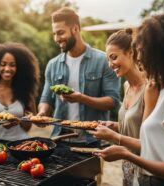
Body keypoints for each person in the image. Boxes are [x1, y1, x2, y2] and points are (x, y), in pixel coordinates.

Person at [93, 14, 164, 186]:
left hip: (150, 172)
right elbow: (152, 131)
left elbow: (150, 142)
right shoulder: (131, 87)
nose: (140, 57)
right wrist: (115, 127)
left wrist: (119, 143)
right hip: (137, 171)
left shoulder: (155, 89)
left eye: (113, 57)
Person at [37, 7, 120, 145]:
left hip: (93, 139)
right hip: (60, 139)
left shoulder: (103, 61)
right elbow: (46, 100)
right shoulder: (53, 65)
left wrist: (81, 98)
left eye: (60, 33)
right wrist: (42, 113)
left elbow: (113, 102)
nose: (57, 39)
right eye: (55, 34)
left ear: (75, 29)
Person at [0, 42, 40, 140]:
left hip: (21, 145)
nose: (7, 69)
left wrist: (24, 120)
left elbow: (27, 128)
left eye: (12, 65)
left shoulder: (25, 90)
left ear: (19, 67)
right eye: (3, 64)